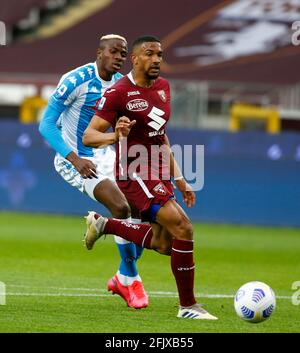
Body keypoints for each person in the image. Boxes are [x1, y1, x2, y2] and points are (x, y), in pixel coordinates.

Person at [82, 35, 218, 320]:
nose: (156, 59)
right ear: (135, 58)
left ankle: (106, 225)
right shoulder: (119, 92)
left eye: (159, 54)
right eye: (149, 54)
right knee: (184, 228)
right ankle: (188, 307)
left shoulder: (164, 88)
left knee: (164, 244)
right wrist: (115, 136)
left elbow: (161, 137)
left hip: (157, 170)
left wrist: (180, 180)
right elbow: (89, 136)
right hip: (133, 171)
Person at [38, 34, 148, 309]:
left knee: (143, 211)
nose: (119, 57)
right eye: (114, 52)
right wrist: (74, 159)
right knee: (121, 209)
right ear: (99, 52)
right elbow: (47, 125)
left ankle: (122, 273)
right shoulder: (76, 80)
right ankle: (131, 281)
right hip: (74, 159)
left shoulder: (123, 87)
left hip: (106, 154)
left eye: (123, 54)